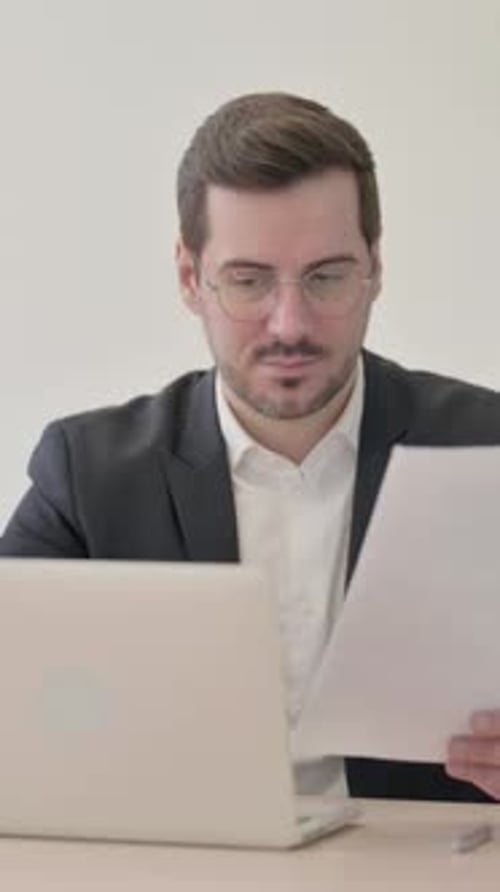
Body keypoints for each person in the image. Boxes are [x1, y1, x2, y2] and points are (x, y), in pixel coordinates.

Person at [2, 91, 500, 803]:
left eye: (326, 276)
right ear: (190, 278)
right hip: (179, 854)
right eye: (248, 280)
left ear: (375, 268)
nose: (289, 323)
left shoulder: (488, 450)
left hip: (430, 854)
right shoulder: (88, 476)